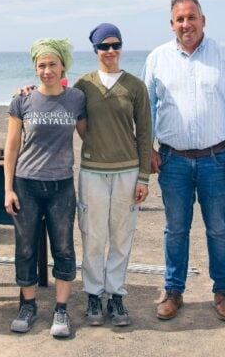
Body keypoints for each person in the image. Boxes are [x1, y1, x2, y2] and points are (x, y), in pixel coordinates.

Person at [142, 0, 225, 322]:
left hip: (215, 158)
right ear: (171, 24)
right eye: (180, 19)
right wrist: (147, 148)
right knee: (176, 229)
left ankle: (222, 292)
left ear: (203, 20)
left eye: (192, 17)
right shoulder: (158, 58)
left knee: (218, 228)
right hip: (172, 160)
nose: (186, 24)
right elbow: (147, 108)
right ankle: (173, 291)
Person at [4, 38, 86, 338]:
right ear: (35, 68)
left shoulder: (76, 99)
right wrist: (8, 189)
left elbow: (90, 135)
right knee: (25, 248)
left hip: (61, 185)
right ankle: (28, 306)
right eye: (41, 65)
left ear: (63, 66)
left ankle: (61, 309)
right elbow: (12, 147)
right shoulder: (22, 100)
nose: (47, 70)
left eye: (52, 64)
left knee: (63, 248)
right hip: (26, 183)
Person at [74, 23, 151, 327]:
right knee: (93, 236)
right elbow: (65, 108)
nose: (110, 51)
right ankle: (93, 294)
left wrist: (143, 176)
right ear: (95, 50)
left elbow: (144, 133)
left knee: (121, 236)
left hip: (127, 172)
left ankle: (116, 294)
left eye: (115, 45)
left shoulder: (135, 86)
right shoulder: (84, 85)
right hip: (92, 171)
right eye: (103, 46)